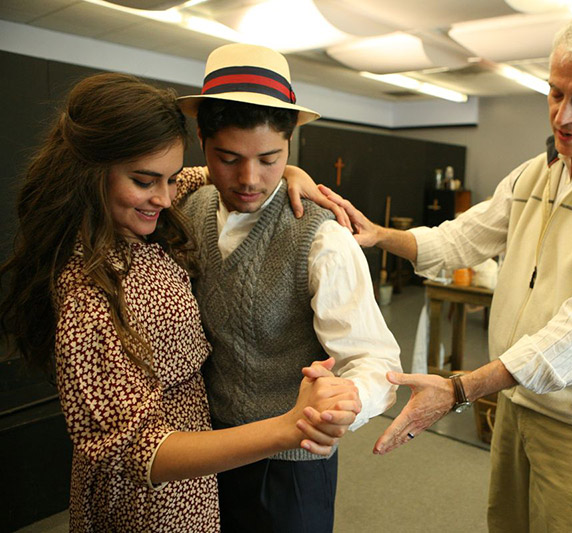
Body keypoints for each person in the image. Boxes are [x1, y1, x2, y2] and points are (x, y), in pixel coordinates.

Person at [322, 11, 572, 532]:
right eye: (554, 94)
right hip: (515, 400)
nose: (562, 117)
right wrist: (380, 235)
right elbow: (463, 237)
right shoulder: (537, 171)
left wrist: (461, 388)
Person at [0, 73, 359, 533]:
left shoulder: (138, 214)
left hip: (199, 461)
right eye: (146, 181)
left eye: (171, 178)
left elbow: (216, 173)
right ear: (87, 173)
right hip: (156, 494)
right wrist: (290, 427)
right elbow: (138, 450)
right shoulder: (87, 292)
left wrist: (281, 169)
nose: (166, 197)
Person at [175, 44, 402, 533]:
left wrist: (345, 401)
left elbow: (376, 360)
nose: (249, 179)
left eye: (270, 159)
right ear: (201, 139)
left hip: (289, 464)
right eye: (228, 158)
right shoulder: (187, 207)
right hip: (204, 447)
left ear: (291, 142)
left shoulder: (321, 237)